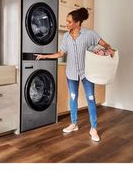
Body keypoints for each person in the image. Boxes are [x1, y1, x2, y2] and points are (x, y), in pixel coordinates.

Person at [35, 7, 115, 142]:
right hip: (71, 73)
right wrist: (44, 56)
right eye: (66, 21)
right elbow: (61, 53)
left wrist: (109, 49)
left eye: (69, 22)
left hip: (87, 73)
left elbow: (105, 44)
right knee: (73, 97)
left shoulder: (90, 34)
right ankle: (74, 124)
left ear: (77, 22)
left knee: (90, 98)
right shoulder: (66, 37)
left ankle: (93, 128)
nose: (67, 24)